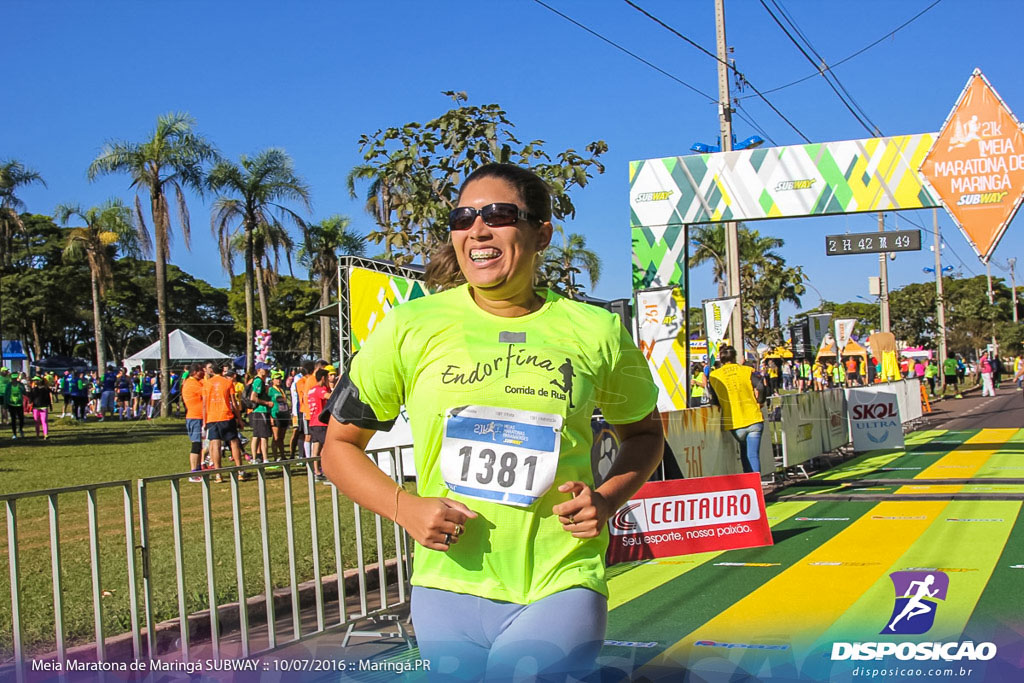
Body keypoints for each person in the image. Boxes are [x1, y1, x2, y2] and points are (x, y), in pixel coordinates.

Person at [320, 163, 662, 680]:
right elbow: (338, 447)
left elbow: (644, 433)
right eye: (463, 217)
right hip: (445, 588)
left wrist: (608, 498)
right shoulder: (413, 325)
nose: (478, 229)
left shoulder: (595, 331)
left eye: (499, 214)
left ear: (541, 232)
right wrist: (405, 507)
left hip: (558, 579)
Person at [708, 345, 765, 475]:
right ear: (735, 357)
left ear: (721, 359)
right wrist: (760, 402)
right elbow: (761, 387)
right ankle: (755, 488)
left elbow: (714, 400)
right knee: (752, 455)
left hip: (734, 422)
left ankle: (748, 486)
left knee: (746, 453)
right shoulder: (746, 370)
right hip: (753, 418)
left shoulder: (714, 376)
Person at [202, 364, 246, 482]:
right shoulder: (227, 382)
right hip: (226, 416)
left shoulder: (207, 383)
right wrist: (240, 419)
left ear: (212, 371)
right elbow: (234, 403)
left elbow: (205, 404)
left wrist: (204, 420)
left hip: (212, 417)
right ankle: (240, 471)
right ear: (222, 371)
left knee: (215, 444)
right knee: (234, 442)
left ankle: (218, 474)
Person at [182, 363, 206, 482]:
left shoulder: (198, 382)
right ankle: (194, 472)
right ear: (195, 372)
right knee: (196, 444)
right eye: (201, 371)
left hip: (200, 417)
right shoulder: (191, 383)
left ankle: (199, 468)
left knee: (201, 445)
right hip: (195, 417)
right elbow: (206, 391)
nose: (203, 373)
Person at [306, 368, 331, 482]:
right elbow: (328, 396)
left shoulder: (311, 390)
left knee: (316, 448)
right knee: (326, 448)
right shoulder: (318, 390)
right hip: (321, 422)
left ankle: (316, 472)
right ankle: (326, 471)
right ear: (323, 378)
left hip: (312, 422)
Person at [248, 366, 274, 463]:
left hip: (257, 411)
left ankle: (255, 458)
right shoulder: (258, 381)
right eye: (264, 369)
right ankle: (265, 458)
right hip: (261, 410)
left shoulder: (258, 380)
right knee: (263, 436)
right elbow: (253, 397)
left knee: (257, 435)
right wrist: (267, 403)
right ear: (259, 370)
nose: (267, 371)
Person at [268, 370, 290, 461]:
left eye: (280, 378)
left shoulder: (282, 389)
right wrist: (270, 416)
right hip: (275, 414)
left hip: (284, 415)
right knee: (276, 437)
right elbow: (268, 403)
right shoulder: (270, 390)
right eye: (276, 379)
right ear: (272, 380)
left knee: (282, 437)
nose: (278, 380)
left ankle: (282, 455)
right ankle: (275, 457)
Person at [5, 371, 27, 438]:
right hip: (11, 404)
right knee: (13, 419)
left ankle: (20, 429)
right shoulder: (8, 385)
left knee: (21, 419)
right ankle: (14, 434)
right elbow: (6, 394)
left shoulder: (20, 385)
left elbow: (24, 392)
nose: (14, 380)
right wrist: (5, 404)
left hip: (19, 404)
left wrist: (22, 388)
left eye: (15, 378)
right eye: (13, 379)